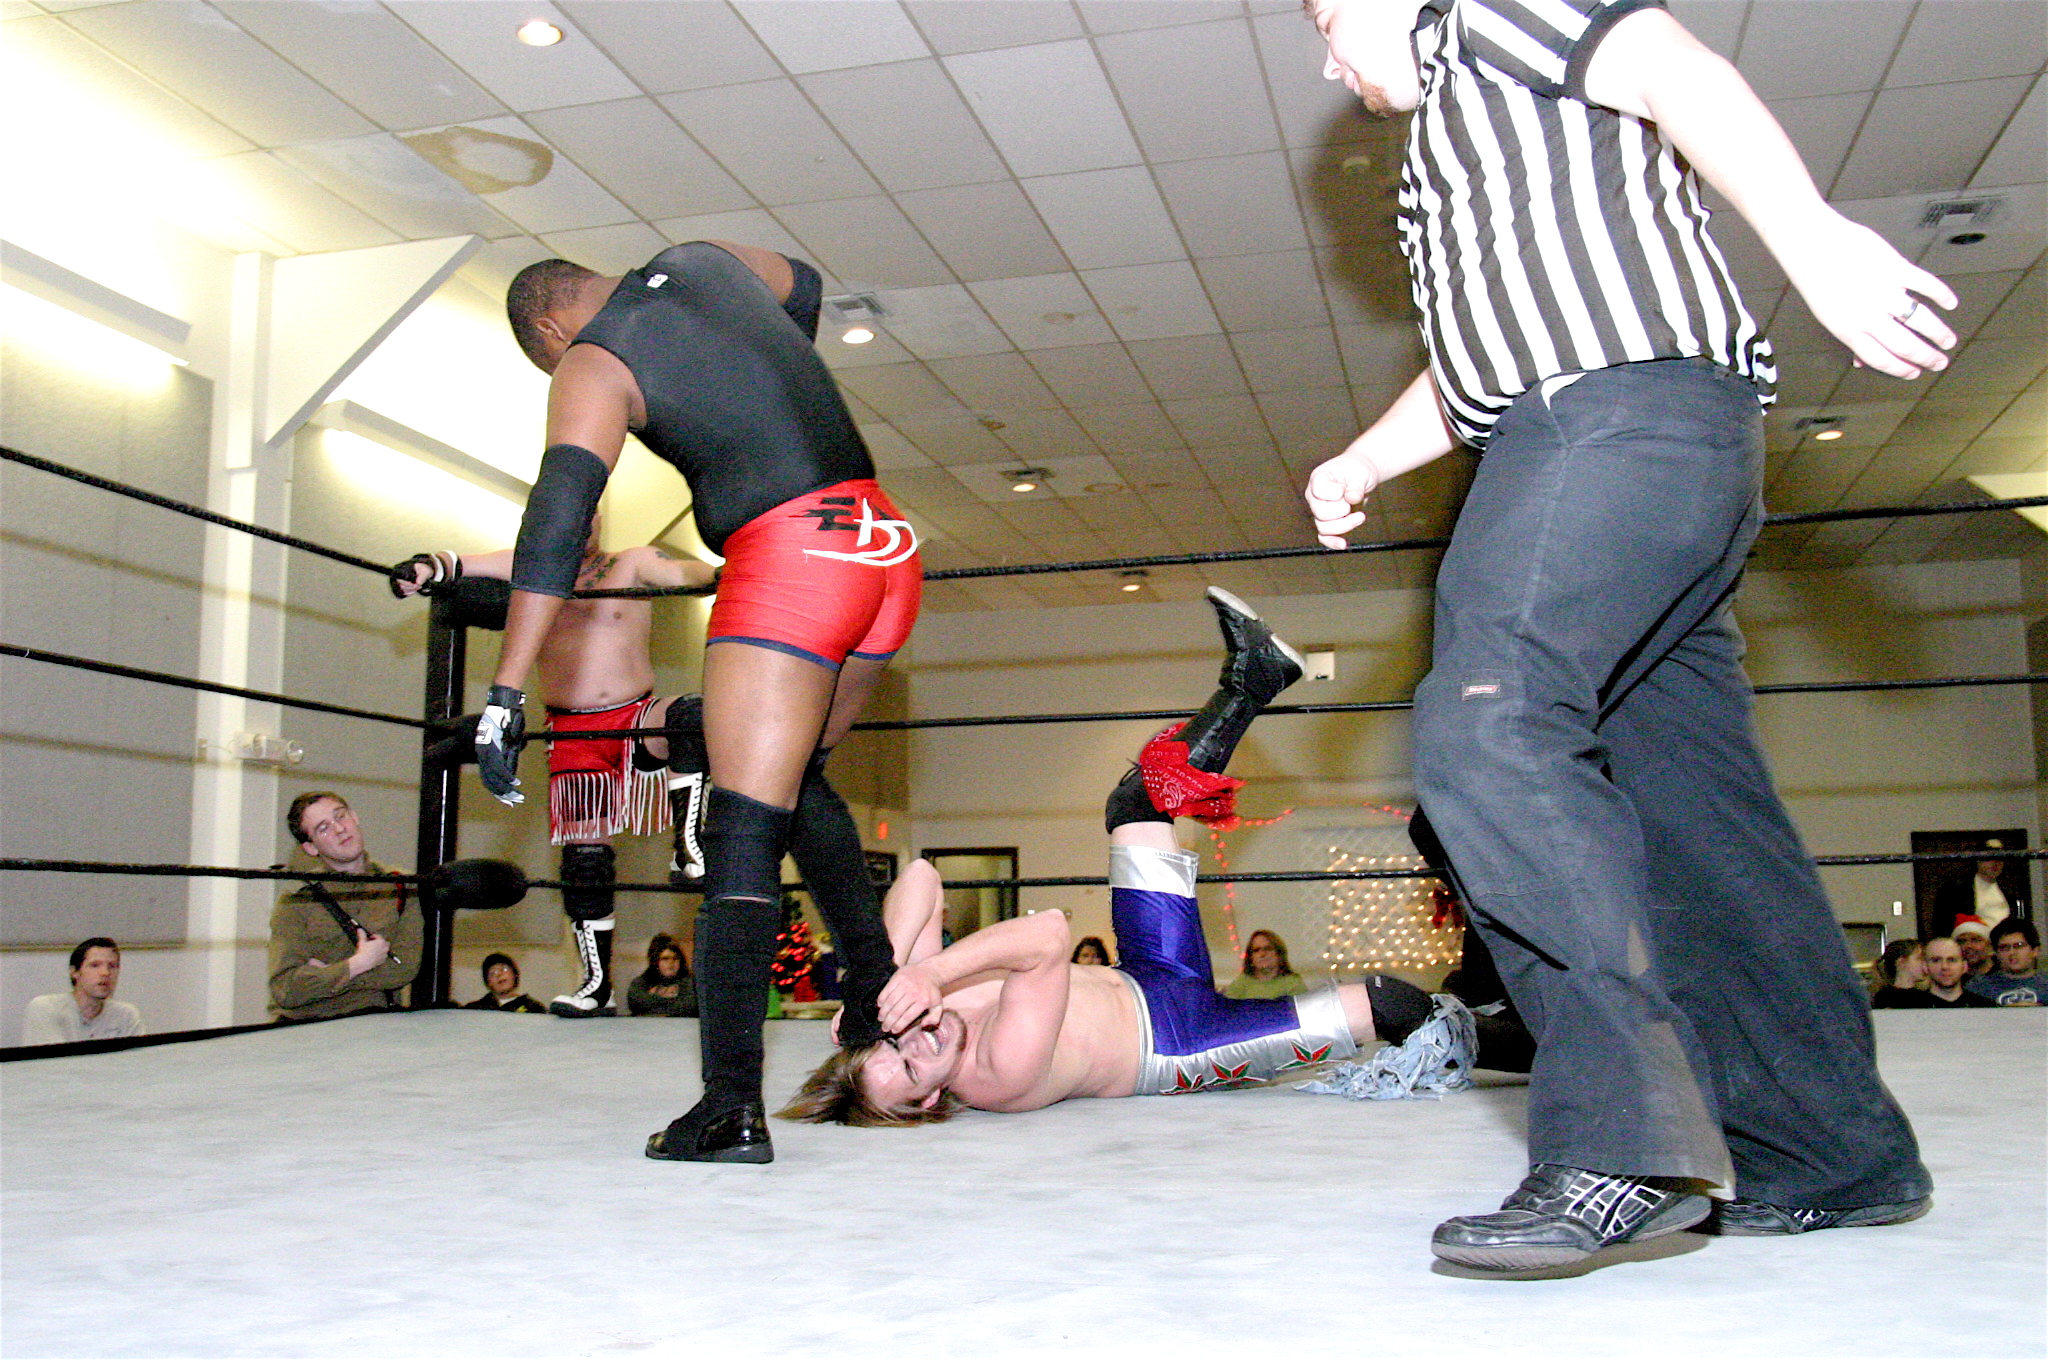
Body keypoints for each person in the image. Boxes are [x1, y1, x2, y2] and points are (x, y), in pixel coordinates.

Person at [1303, 0, 1942, 1272]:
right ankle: (1830, 1153)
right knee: (1694, 817)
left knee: (1487, 724)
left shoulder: (1480, 17)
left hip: (1609, 424)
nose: (1326, 61)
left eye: (1326, 20)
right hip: (1645, 439)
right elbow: (1483, 354)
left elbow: (1663, 63)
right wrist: (1364, 459)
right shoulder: (1451, 151)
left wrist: (1810, 235)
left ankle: (1622, 1142)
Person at [781, 590, 1534, 1127]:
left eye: (894, 1041)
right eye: (914, 1067)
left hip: (1148, 973)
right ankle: (1539, 1047)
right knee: (1390, 1004)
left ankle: (1253, 679)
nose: (919, 1039)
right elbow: (1046, 936)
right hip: (1180, 1044)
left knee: (1134, 808)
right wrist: (931, 973)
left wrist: (877, 975)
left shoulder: (921, 1011)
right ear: (927, 1101)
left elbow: (919, 877)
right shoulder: (996, 1075)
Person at [486, 239, 917, 1164]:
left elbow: (558, 519)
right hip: (881, 541)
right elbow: (805, 281)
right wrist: (760, 400)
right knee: (797, 777)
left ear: (550, 329)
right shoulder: (704, 259)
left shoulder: (593, 358)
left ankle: (729, 1109)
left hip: (794, 554)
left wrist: (506, 687)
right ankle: (875, 996)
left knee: (741, 825)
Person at [392, 530, 715, 1017]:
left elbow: (682, 574)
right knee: (585, 865)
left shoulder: (629, 563)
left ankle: (689, 847)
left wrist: (728, 571)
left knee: (689, 715)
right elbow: (458, 563)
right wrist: (422, 569)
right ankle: (597, 985)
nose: (586, 520)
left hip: (634, 716)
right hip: (572, 732)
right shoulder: (533, 568)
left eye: (593, 507)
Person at [270, 792, 422, 1021]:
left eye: (340, 816)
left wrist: (325, 975)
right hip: (308, 1027)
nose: (339, 829)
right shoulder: (296, 902)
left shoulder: (401, 886)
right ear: (310, 848)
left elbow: (404, 969)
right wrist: (357, 964)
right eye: (323, 828)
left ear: (354, 816)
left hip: (375, 1022)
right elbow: (286, 989)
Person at [19, 938, 144, 1045]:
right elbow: (52, 1063)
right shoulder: (45, 1008)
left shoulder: (126, 1015)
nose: (105, 973)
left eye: (112, 966)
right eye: (95, 965)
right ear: (75, 972)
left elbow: (136, 1062)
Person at [1966, 920, 2047, 1006]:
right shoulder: (1978, 987)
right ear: (1996, 953)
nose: (2012, 953)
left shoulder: (2045, 984)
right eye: (2004, 947)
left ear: (2035, 950)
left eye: (2019, 946)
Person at [1223, 930, 1308, 1000]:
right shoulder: (1241, 983)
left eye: (1268, 949)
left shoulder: (1293, 983)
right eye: (1256, 950)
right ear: (1251, 957)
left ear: (1279, 954)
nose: (1262, 954)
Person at [629, 934, 699, 1017]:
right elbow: (637, 1004)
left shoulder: (691, 983)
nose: (671, 963)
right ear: (655, 961)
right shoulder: (641, 983)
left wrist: (654, 999)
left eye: (675, 958)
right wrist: (671, 1000)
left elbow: (688, 1006)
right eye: (665, 958)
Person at [1919, 937, 1993, 1010]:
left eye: (1952, 960)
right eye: (1936, 960)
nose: (1944, 966)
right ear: (1925, 966)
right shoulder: (1914, 1008)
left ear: (1964, 966)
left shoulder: (1986, 1008)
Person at [465, 953, 545, 1013]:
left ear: (515, 975)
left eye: (504, 969)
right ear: (488, 982)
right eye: (493, 972)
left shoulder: (533, 1008)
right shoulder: (473, 1010)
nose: (499, 975)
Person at [1869, 942, 1932, 1010]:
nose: (1925, 963)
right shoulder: (1884, 997)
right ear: (1902, 962)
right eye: (1919, 958)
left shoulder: (1926, 997)